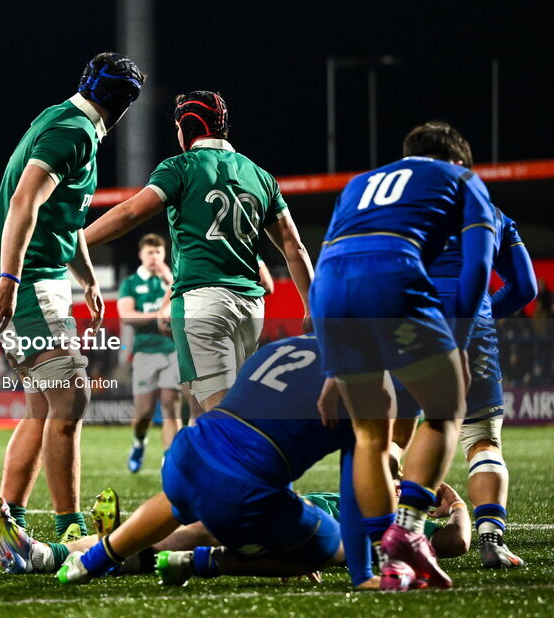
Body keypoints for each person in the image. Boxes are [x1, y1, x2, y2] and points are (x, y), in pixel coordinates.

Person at [0, 335, 382, 590]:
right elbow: (358, 493)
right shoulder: (368, 387)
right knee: (331, 543)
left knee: (186, 510)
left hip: (189, 455)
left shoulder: (286, 347)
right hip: (246, 495)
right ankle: (202, 563)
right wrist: (365, 574)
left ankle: (86, 560)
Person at [310, 121, 496, 590]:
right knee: (446, 407)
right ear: (456, 159)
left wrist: (334, 366)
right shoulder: (462, 178)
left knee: (370, 433)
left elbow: (330, 253)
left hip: (330, 289)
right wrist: (458, 341)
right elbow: (477, 262)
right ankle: (409, 532)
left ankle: (387, 561)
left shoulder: (359, 183)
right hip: (392, 273)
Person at [0, 52, 145, 553]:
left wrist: (89, 281)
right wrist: (9, 277)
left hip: (42, 279)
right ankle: (70, 528)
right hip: (26, 282)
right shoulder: (73, 131)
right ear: (124, 105)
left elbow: (63, 220)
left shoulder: (60, 118)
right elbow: (25, 201)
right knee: (71, 398)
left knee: (42, 405)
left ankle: (3, 527)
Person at [84, 90, 314, 411]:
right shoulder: (261, 176)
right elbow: (294, 245)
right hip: (250, 308)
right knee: (227, 407)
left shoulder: (180, 167)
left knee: (218, 415)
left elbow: (130, 213)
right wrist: (311, 306)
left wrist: (76, 241)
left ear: (188, 127)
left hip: (200, 303)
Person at [393, 205, 536, 568]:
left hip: (408, 327)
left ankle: (389, 535)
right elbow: (525, 287)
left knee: (392, 439)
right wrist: (485, 312)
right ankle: (491, 539)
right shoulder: (490, 210)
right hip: (473, 329)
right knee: (483, 441)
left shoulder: (394, 204)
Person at [0, 479, 470, 579]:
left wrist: (458, 505)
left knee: (186, 530)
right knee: (174, 536)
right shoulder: (381, 483)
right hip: (295, 513)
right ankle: (43, 554)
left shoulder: (400, 533)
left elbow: (458, 540)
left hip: (299, 522)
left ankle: (44, 555)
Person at [117, 233, 181, 472]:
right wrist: (158, 315)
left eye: (158, 252)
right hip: (145, 353)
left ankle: (170, 461)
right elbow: (126, 315)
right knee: (143, 412)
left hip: (173, 350)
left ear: (164, 255)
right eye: (149, 252)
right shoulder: (131, 283)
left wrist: (171, 281)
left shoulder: (173, 281)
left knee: (170, 405)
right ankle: (139, 442)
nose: (154, 257)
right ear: (141, 255)